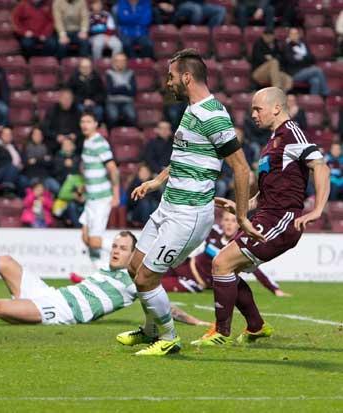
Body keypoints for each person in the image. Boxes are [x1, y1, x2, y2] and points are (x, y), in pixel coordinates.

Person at [115, 49, 262, 356]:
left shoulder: (212, 115)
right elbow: (184, 156)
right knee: (134, 267)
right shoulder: (191, 110)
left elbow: (241, 167)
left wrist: (244, 215)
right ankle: (151, 330)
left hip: (188, 214)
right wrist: (156, 181)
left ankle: (169, 339)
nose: (168, 83)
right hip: (167, 205)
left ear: (186, 77)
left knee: (146, 277)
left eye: (171, 77)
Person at [191, 87, 330, 347]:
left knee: (222, 264)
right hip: (265, 215)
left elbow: (320, 166)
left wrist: (318, 209)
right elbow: (266, 194)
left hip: (281, 220)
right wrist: (239, 207)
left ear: (276, 108)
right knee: (227, 270)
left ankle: (221, 332)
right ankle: (256, 327)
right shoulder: (272, 141)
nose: (253, 114)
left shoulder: (292, 133)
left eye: (258, 109)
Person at [0, 227, 208, 327]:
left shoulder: (135, 281)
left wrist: (195, 321)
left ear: (134, 254)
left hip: (59, 311)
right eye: (115, 247)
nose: (116, 252)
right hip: (51, 294)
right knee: (7, 262)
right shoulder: (108, 271)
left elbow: (165, 307)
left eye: (123, 248)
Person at [163, 211, 289, 296]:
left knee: (156, 286)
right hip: (184, 265)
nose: (229, 223)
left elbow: (256, 270)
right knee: (148, 275)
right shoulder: (214, 232)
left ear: (239, 224)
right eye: (226, 220)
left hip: (194, 281)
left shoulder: (241, 246)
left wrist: (275, 290)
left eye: (233, 220)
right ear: (221, 222)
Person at [79, 112, 119, 268]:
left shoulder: (99, 142)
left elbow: (113, 169)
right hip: (91, 198)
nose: (84, 124)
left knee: (95, 241)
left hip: (101, 198)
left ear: (96, 124)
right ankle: (99, 273)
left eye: (88, 121)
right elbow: (90, 169)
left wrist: (116, 194)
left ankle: (129, 251)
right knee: (85, 238)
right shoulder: (87, 142)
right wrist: (84, 187)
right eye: (82, 121)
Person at [282, 27, 329, 97]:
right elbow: (291, 61)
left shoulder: (303, 45)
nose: (294, 35)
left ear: (298, 35)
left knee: (315, 81)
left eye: (295, 33)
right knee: (317, 70)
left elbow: (312, 58)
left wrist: (301, 58)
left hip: (307, 71)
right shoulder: (287, 47)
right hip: (294, 73)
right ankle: (325, 94)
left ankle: (313, 102)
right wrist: (305, 58)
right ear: (289, 35)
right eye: (292, 34)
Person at [0, 126, 26, 197]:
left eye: (9, 134)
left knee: (23, 180)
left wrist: (21, 164)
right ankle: (7, 191)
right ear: (1, 136)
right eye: (5, 134)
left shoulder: (13, 146)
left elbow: (21, 158)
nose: (7, 136)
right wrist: (8, 166)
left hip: (15, 172)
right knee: (12, 167)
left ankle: (20, 201)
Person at [41, 87, 81, 154]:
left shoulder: (77, 111)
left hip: (73, 141)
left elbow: (82, 128)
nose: (67, 101)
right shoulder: (52, 111)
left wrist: (75, 135)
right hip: (56, 141)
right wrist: (56, 136)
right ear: (60, 99)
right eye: (65, 99)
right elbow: (45, 128)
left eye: (69, 99)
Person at [68, 57, 106, 122]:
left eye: (87, 67)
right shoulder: (74, 78)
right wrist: (83, 101)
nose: (85, 69)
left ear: (91, 68)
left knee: (99, 111)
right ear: (79, 68)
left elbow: (102, 93)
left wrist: (94, 101)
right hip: (80, 103)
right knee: (79, 110)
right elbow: (71, 94)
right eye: (83, 67)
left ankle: (96, 127)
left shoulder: (97, 77)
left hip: (94, 103)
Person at [105, 52, 137, 128]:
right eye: (118, 61)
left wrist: (117, 88)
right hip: (112, 101)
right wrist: (125, 88)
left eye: (123, 61)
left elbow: (133, 91)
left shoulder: (130, 73)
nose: (120, 63)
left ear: (126, 62)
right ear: (114, 62)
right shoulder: (109, 73)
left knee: (132, 116)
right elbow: (110, 90)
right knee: (113, 117)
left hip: (127, 101)